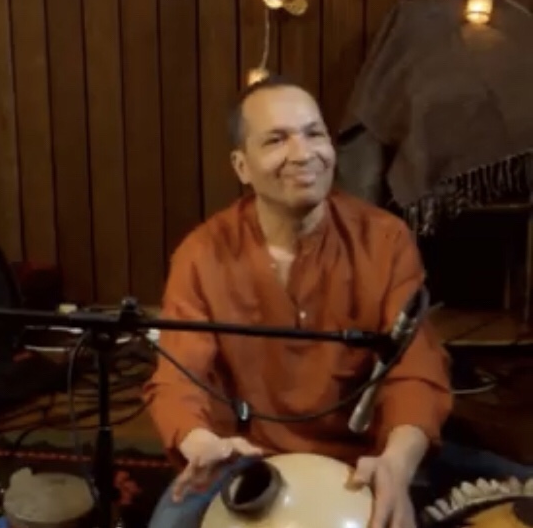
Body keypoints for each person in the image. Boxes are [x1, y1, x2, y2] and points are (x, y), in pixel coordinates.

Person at [142, 77, 533, 528]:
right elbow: (179, 376)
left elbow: (416, 370)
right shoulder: (202, 253)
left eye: (314, 133)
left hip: (367, 458)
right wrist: (199, 441)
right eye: (276, 139)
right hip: (246, 459)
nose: (303, 153)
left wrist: (397, 464)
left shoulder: (384, 239)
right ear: (242, 166)